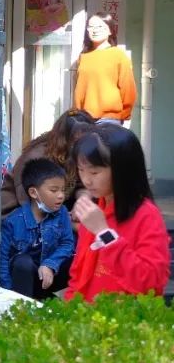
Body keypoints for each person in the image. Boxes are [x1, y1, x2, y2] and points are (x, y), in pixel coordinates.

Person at [64, 125, 171, 301]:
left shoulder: (147, 215)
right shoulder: (95, 210)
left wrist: (104, 233)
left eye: (94, 172)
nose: (86, 180)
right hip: (87, 315)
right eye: (81, 170)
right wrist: (70, 308)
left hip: (124, 317)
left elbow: (151, 283)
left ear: (123, 170)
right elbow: (78, 276)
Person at [0, 159, 75, 299]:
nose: (61, 195)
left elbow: (67, 244)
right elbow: (3, 259)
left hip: (49, 273)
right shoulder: (13, 221)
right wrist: (7, 292)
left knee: (79, 259)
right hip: (24, 280)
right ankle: (25, 303)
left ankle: (45, 297)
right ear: (34, 193)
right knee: (22, 262)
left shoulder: (62, 213)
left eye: (62, 190)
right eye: (54, 190)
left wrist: (50, 264)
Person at [0, 109, 95, 218]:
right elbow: (31, 205)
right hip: (17, 215)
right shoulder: (37, 158)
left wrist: (83, 199)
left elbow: (81, 184)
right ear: (64, 140)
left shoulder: (74, 154)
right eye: (78, 141)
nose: (83, 146)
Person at [72, 12, 136, 124]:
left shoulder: (118, 55)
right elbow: (78, 89)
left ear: (110, 30)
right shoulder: (83, 57)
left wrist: (123, 114)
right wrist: (76, 113)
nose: (95, 30)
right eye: (91, 26)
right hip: (84, 118)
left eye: (100, 26)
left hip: (109, 119)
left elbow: (128, 88)